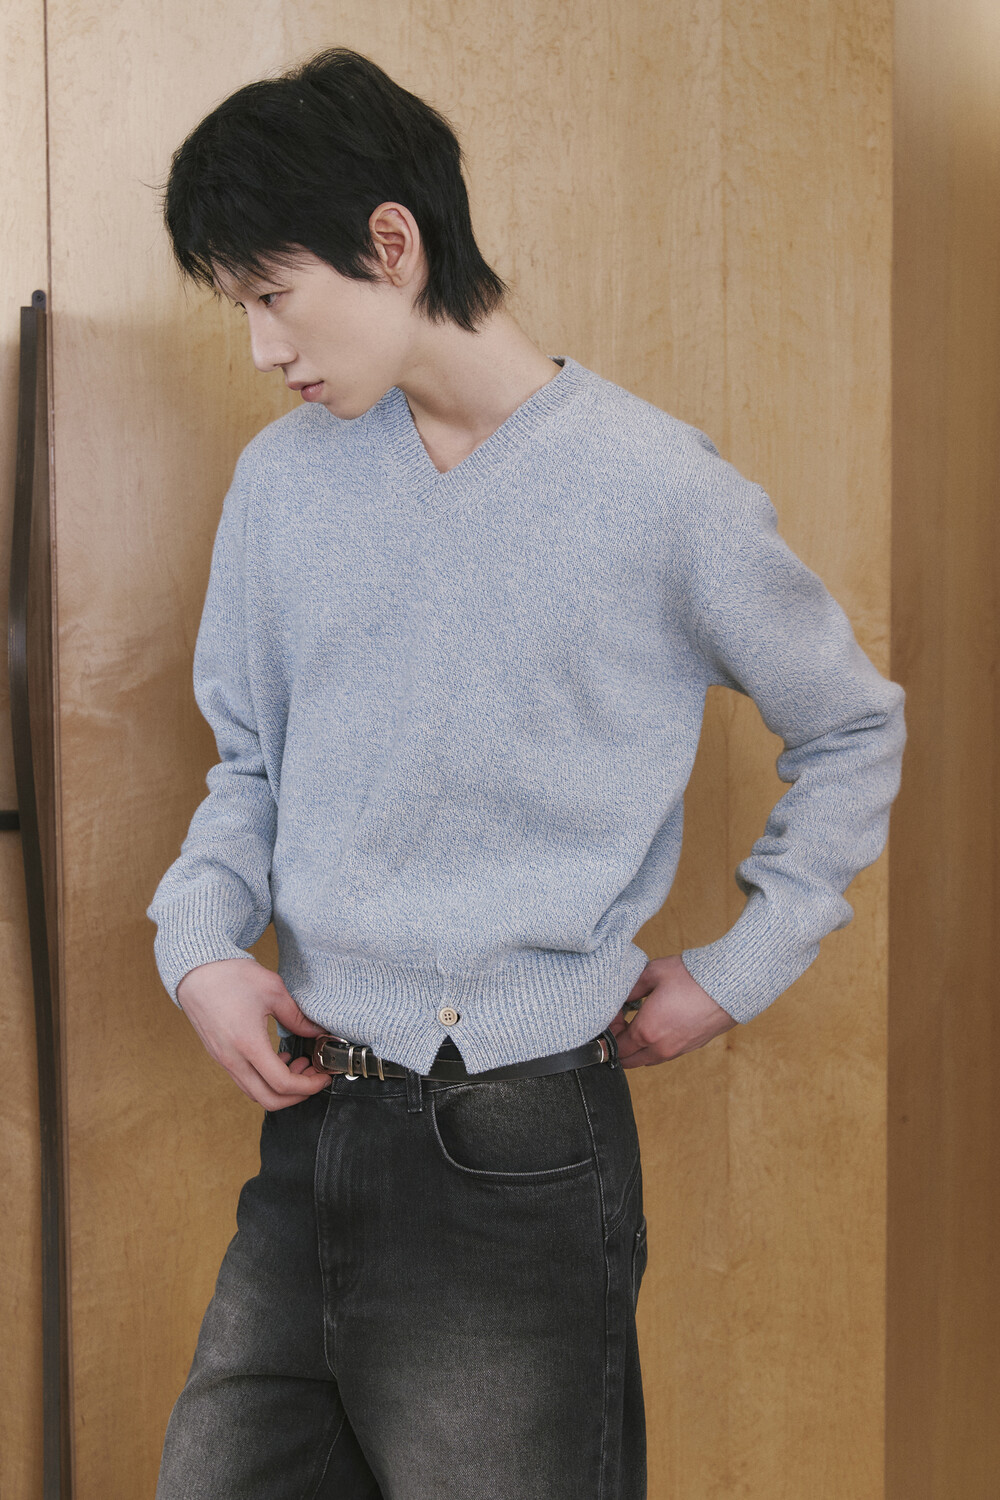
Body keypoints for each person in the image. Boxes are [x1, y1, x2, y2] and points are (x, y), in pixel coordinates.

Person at [146, 45, 907, 1500]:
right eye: (237, 305)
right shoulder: (282, 483)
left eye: (270, 294)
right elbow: (248, 764)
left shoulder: (659, 490)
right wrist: (201, 946)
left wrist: (741, 968)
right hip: (309, 1135)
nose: (259, 347)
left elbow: (852, 726)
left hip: (519, 1150)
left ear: (392, 242)